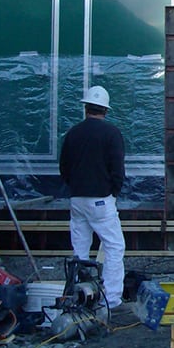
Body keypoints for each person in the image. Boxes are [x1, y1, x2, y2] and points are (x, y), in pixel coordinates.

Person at [58, 85, 127, 310]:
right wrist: (114, 192)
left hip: (77, 199)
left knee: (80, 249)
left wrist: (75, 187)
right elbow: (117, 169)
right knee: (114, 246)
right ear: (105, 110)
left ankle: (79, 295)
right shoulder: (111, 133)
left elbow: (64, 167)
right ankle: (112, 299)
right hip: (101, 199)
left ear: (86, 107)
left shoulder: (73, 133)